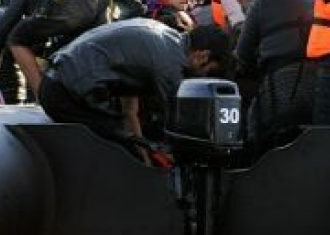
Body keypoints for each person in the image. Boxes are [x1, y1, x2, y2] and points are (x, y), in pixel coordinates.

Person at [36, 19, 232, 148]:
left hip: (59, 81)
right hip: (64, 92)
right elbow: (180, 126)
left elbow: (130, 110)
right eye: (209, 72)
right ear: (202, 56)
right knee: (120, 146)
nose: (202, 78)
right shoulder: (171, 65)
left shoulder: (165, 37)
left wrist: (142, 150)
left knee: (131, 142)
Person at [0, 0, 114, 95]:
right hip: (100, 0)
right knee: (83, 50)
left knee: (16, 37)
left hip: (73, 3)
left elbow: (4, 25)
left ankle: (44, 97)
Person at [237, 0, 317, 150]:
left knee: (254, 135)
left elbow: (243, 53)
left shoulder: (262, 1)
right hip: (321, 91)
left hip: (278, 94)